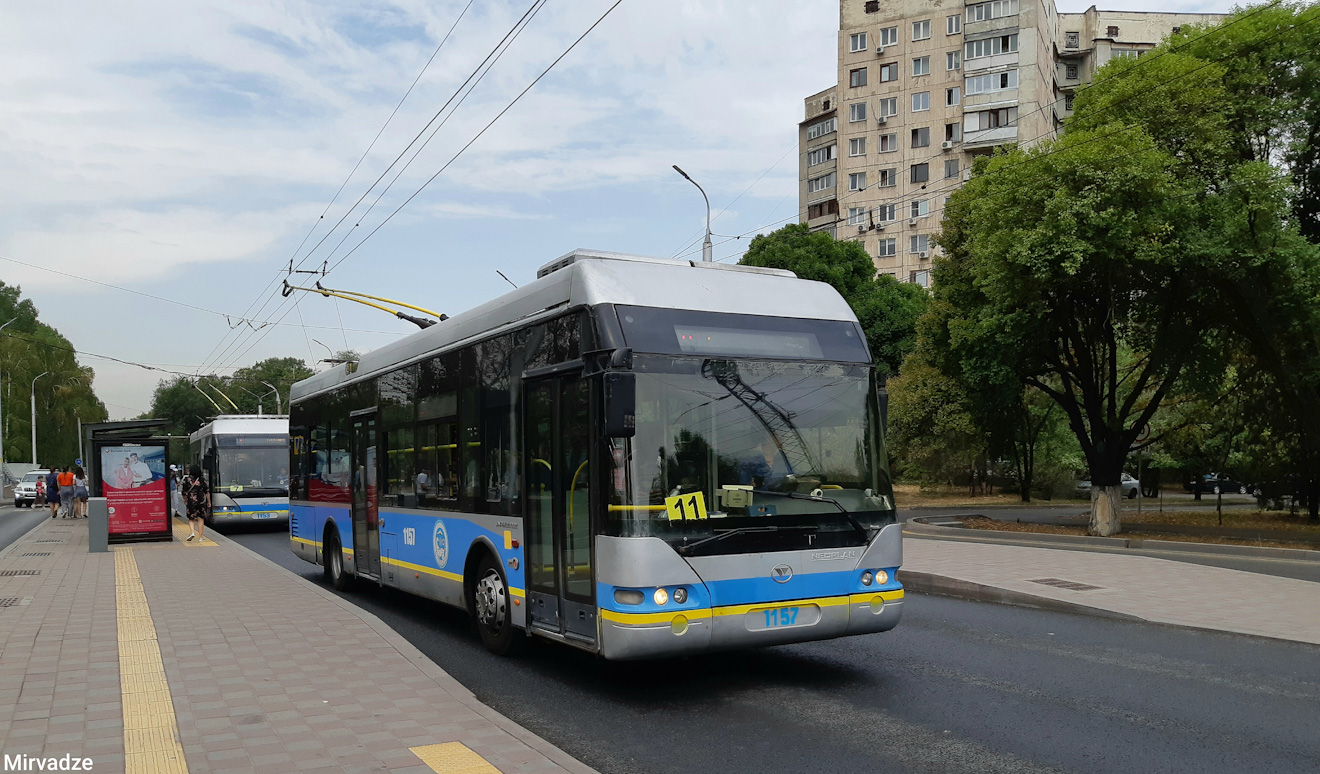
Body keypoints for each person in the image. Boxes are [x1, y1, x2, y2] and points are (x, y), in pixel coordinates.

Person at [181, 463, 210, 542]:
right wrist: (208, 502)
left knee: (191, 518)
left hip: (191, 501)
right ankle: (200, 537)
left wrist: (185, 499)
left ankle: (192, 532)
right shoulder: (202, 480)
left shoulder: (187, 480)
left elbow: (183, 491)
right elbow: (207, 491)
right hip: (201, 501)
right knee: (200, 518)